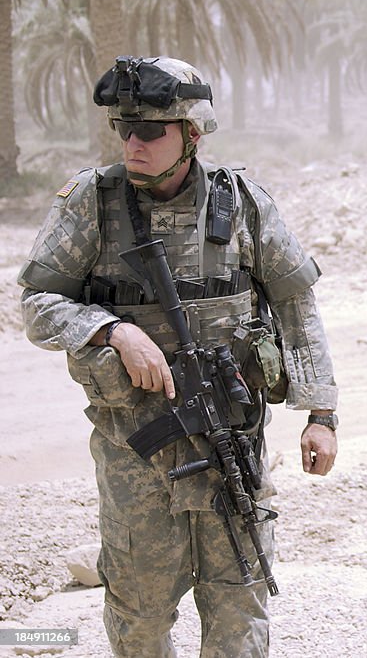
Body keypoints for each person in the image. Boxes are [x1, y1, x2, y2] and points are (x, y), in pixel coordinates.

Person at [18, 56, 339, 657]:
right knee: (139, 616)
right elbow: (36, 304)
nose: (132, 143)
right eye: (124, 129)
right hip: (135, 458)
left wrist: (321, 413)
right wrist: (109, 329)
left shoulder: (242, 203)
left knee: (239, 609)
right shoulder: (91, 202)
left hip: (230, 445)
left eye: (150, 131)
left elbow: (297, 306)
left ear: (192, 134)